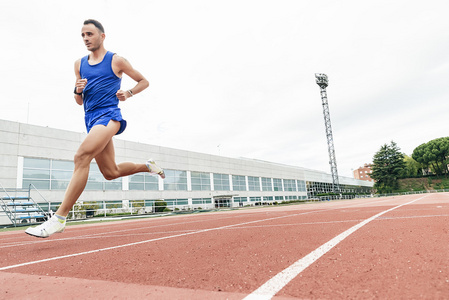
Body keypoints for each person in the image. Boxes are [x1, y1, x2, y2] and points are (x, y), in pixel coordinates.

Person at [25, 19, 165, 238]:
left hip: (109, 116)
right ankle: (147, 166)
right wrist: (77, 89)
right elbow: (79, 101)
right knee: (111, 172)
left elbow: (143, 81)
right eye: (82, 35)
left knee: (81, 157)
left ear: (102, 36)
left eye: (89, 34)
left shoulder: (116, 60)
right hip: (90, 119)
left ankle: (59, 218)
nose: (85, 39)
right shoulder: (78, 64)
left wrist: (128, 93)